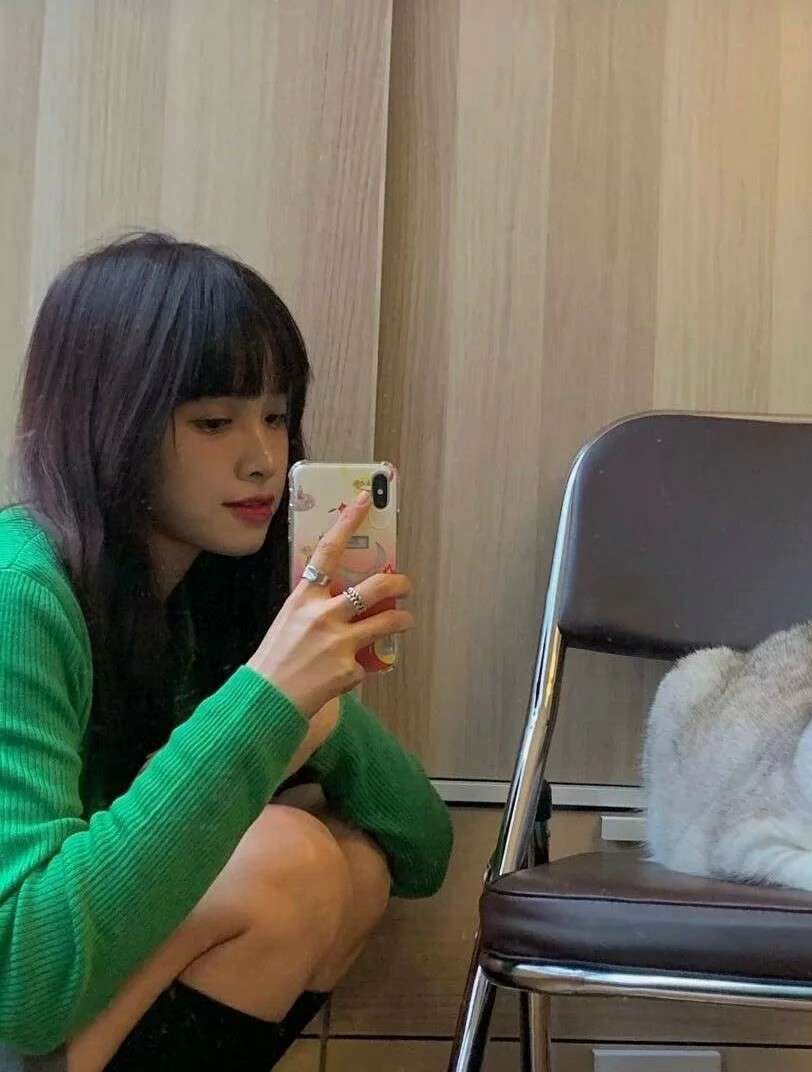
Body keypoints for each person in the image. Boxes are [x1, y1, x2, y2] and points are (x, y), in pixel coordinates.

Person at [0, 233, 453, 1071]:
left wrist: (317, 709)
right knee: (286, 861)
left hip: (63, 1012)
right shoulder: (17, 592)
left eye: (276, 417)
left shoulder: (196, 602)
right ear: (109, 422)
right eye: (215, 422)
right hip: (21, 1004)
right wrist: (264, 705)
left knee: (355, 867)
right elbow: (21, 979)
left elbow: (423, 852)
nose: (263, 459)